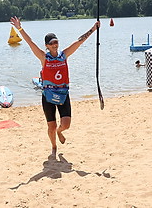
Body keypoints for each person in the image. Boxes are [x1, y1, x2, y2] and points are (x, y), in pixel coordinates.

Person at [10, 16, 100, 156]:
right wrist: (19, 28)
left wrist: (93, 29)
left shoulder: (64, 55)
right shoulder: (43, 57)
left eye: (56, 42)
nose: (54, 45)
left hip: (63, 94)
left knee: (66, 124)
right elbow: (30, 42)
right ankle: (53, 146)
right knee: (50, 126)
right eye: (51, 43)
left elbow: (79, 41)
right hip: (48, 96)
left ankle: (60, 132)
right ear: (46, 45)